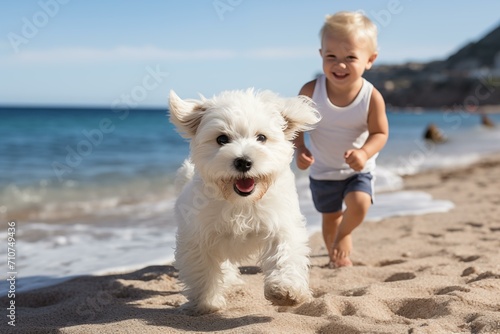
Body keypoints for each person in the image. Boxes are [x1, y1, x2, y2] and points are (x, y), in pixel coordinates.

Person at [294, 11, 389, 268]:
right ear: (321, 55)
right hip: (323, 171)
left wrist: (364, 153)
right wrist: (299, 148)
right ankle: (335, 256)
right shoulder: (311, 91)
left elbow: (380, 133)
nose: (340, 65)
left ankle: (344, 235)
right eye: (331, 56)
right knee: (330, 217)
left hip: (357, 169)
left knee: (359, 204)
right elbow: (293, 126)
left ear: (370, 60)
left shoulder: (371, 97)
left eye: (350, 58)